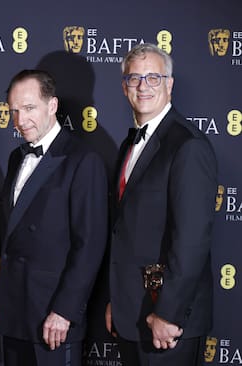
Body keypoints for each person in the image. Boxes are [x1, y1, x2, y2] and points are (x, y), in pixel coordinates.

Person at [106, 43, 217, 365]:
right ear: (124, 86)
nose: (143, 87)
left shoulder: (187, 146)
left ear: (169, 84)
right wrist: (119, 299)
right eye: (134, 78)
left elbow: (192, 240)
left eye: (153, 78)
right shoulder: (131, 143)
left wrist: (168, 313)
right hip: (132, 311)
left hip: (168, 320)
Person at [0, 69, 108, 366]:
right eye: (14, 111)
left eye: (29, 108)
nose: (20, 120)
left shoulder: (83, 160)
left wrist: (65, 310)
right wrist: (2, 299)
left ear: (52, 105)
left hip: (52, 317)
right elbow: (11, 237)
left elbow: (90, 244)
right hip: (13, 312)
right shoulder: (16, 157)